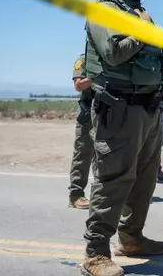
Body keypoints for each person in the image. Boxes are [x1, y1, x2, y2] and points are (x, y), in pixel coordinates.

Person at [81, 0, 163, 276]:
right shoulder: (104, 10)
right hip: (120, 109)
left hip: (149, 109)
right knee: (113, 181)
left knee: (144, 181)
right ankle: (95, 253)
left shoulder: (138, 13)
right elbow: (114, 53)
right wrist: (145, 32)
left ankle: (132, 238)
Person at [68, 53, 94, 209]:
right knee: (83, 154)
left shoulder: (109, 58)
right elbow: (78, 85)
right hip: (87, 115)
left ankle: (100, 196)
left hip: (106, 114)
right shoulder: (84, 59)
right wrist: (96, 78)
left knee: (104, 157)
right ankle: (76, 195)